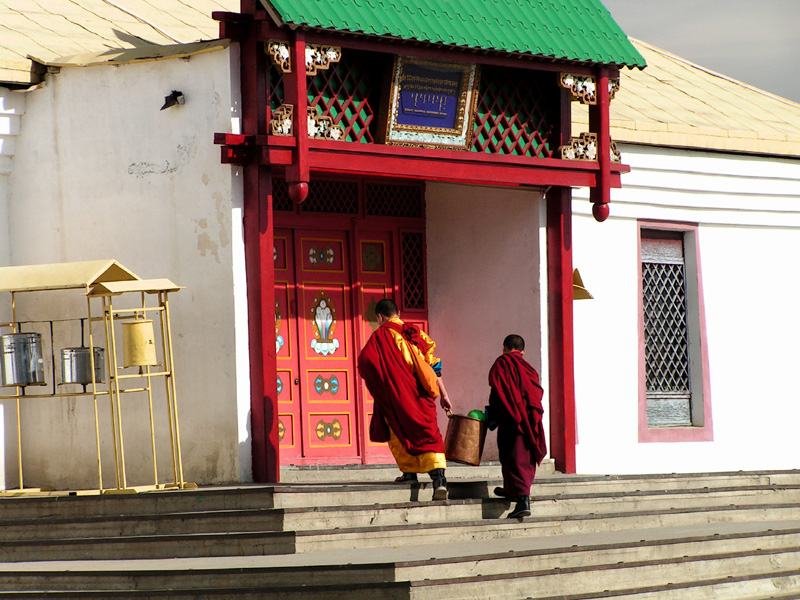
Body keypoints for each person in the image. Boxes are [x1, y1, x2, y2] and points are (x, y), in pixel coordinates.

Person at [357, 299, 453, 499]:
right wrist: (444, 395)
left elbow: (365, 361)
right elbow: (434, 366)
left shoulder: (379, 338)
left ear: (379, 317)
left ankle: (409, 472)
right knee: (429, 434)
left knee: (398, 430)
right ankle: (439, 481)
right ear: (399, 313)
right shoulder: (415, 333)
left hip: (398, 397)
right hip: (421, 396)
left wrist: (385, 387)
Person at [488, 334, 547, 518]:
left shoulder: (502, 363)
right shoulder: (529, 369)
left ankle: (523, 501)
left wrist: (493, 413)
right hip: (529, 420)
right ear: (523, 351)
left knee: (516, 457)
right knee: (519, 457)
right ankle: (511, 490)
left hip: (512, 419)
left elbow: (498, 390)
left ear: (503, 347)